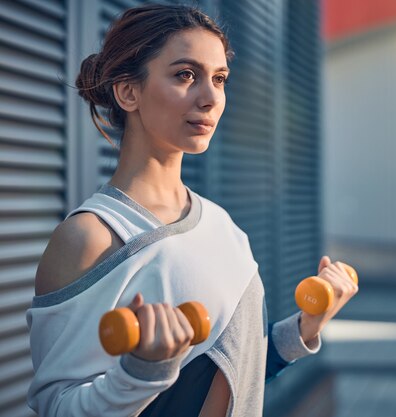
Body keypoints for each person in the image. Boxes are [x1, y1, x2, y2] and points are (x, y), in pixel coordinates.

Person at [26, 4, 358, 417]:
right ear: (128, 91)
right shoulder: (91, 237)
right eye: (185, 75)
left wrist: (305, 327)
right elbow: (56, 407)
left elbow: (236, 367)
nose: (210, 98)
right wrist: (142, 372)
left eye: (219, 79)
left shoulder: (224, 226)